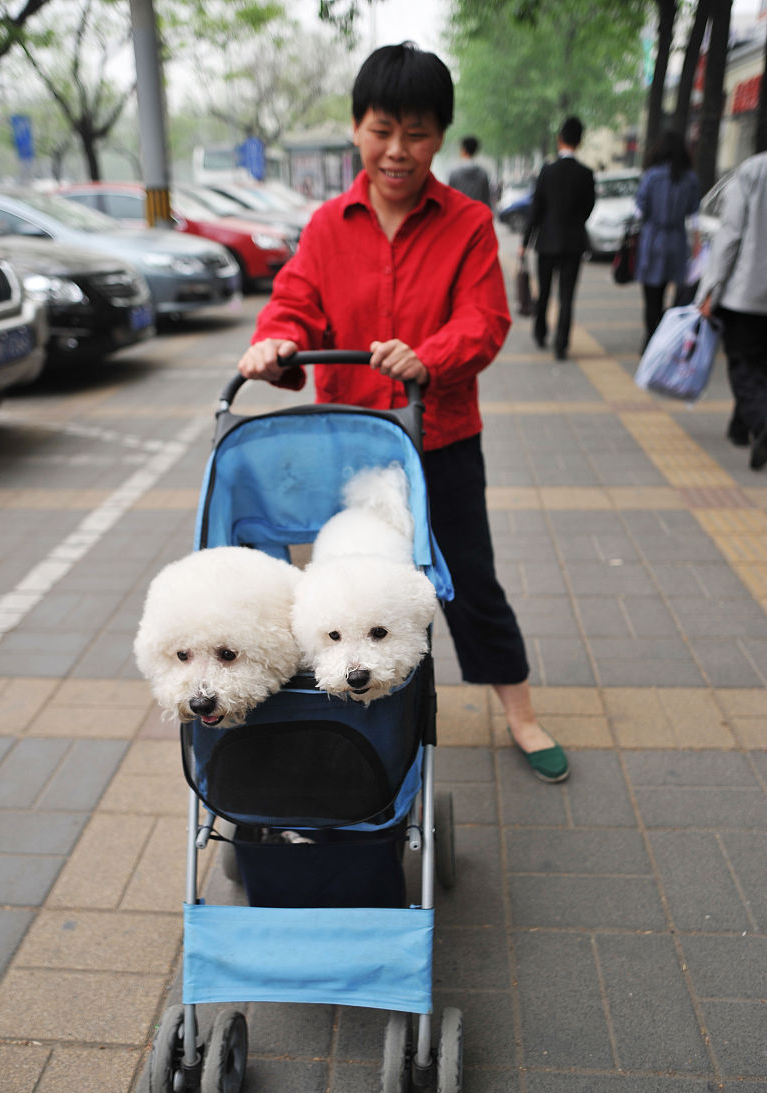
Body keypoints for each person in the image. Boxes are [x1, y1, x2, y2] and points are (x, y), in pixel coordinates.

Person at [237, 42, 569, 783]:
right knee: (345, 589)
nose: (397, 150)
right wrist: (275, 343)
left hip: (441, 441)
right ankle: (346, 715)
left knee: (469, 582)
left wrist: (430, 356)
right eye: (383, 129)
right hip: (347, 448)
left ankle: (519, 712)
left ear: (440, 137)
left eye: (417, 133)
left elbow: (484, 320)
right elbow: (293, 304)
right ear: (357, 127)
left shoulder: (469, 223)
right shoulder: (326, 227)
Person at [696, 151, 767, 469]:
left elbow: (729, 237)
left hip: (746, 291)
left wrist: (710, 289)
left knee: (742, 364)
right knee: (760, 365)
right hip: (751, 292)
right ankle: (740, 428)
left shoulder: (752, 171)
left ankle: (761, 423)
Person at [520, 116, 595, 361]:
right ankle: (561, 344)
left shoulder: (547, 171)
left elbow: (536, 209)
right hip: (574, 243)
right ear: (580, 141)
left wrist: (525, 242)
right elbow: (588, 207)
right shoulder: (586, 174)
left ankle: (541, 333)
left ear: (559, 139)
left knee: (544, 292)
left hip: (547, 242)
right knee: (567, 296)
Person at [634, 129, 700, 351]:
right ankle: (669, 337)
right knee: (678, 294)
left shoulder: (652, 176)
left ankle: (650, 338)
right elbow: (695, 217)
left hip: (653, 240)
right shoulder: (690, 178)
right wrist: (697, 247)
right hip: (677, 241)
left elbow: (639, 211)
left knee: (652, 294)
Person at [448, 135, 492, 207]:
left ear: (463, 150)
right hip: (477, 215)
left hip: (460, 214)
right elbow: (486, 199)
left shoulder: (454, 174)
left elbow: (450, 199)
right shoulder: (483, 174)